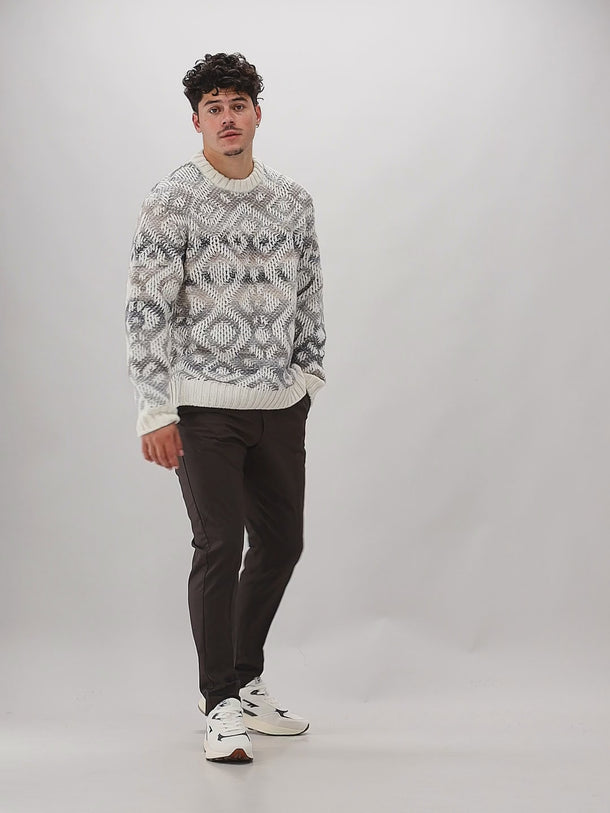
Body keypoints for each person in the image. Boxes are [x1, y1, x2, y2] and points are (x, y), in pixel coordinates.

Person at [124, 52, 326, 763]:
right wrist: (155, 408)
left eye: (238, 104)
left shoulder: (292, 199)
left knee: (283, 542)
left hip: (280, 403)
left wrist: (308, 375)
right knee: (219, 543)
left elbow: (309, 292)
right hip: (203, 407)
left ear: (257, 113)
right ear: (197, 122)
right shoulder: (171, 199)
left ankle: (245, 679)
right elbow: (147, 308)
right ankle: (219, 704)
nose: (228, 118)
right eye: (214, 107)